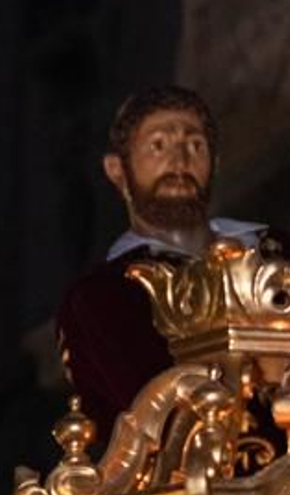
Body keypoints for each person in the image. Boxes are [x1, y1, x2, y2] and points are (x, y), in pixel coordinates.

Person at [56, 86, 263, 445]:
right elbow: (151, 407)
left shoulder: (279, 249)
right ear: (117, 170)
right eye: (158, 145)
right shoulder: (101, 296)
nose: (180, 161)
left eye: (195, 145)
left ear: (215, 162)